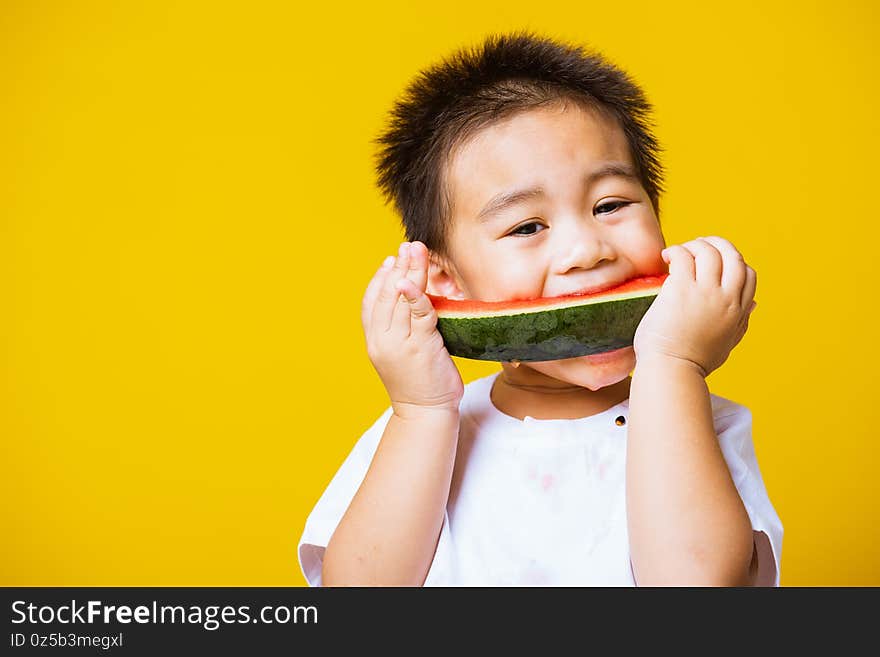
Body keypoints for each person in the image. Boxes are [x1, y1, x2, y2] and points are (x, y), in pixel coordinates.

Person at [297, 30, 783, 586]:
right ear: (445, 280)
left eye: (611, 204)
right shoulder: (414, 430)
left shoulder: (701, 423)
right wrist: (424, 409)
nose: (587, 250)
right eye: (527, 225)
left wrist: (674, 366)